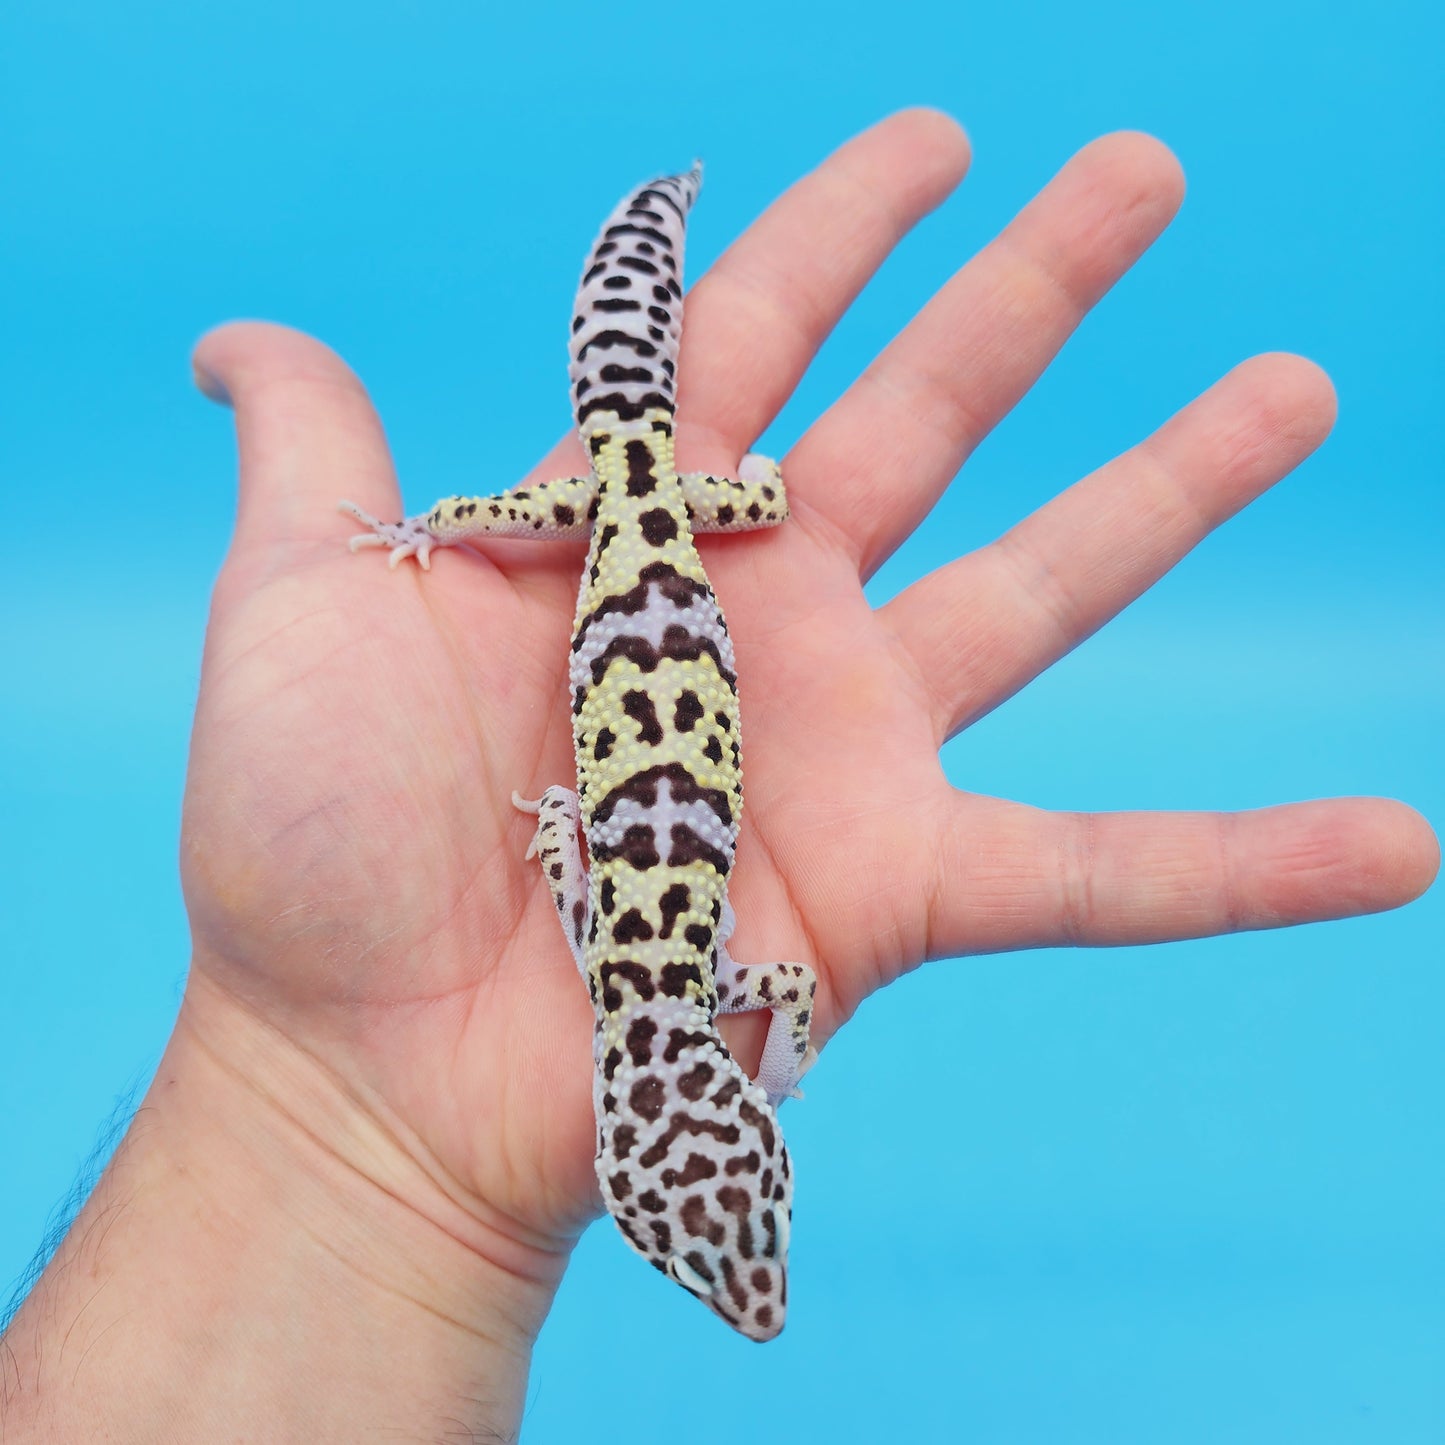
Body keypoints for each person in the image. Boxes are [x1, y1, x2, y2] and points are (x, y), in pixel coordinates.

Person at [0, 110, 1434, 1440]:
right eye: (737, 1237)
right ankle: (632, 254)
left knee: (656, 445)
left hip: (648, 523)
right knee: (608, 485)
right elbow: (588, 865)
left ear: (668, 1146)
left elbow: (728, 952)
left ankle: (650, 228)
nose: (752, 1295)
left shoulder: (699, 975)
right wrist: (542, 784)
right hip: (647, 519)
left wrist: (769, 1046)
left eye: (711, 1247)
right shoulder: (631, 966)